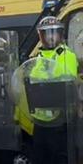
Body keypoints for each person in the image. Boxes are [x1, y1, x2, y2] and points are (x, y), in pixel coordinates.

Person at [30, 16, 78, 164]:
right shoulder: (36, 57)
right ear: (41, 36)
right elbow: (30, 81)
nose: (50, 37)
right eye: (46, 33)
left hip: (60, 119)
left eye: (54, 33)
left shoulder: (67, 55)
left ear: (60, 34)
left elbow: (67, 79)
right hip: (40, 119)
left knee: (59, 158)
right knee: (39, 158)